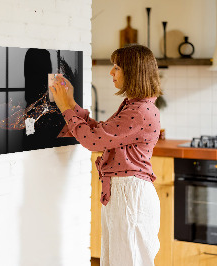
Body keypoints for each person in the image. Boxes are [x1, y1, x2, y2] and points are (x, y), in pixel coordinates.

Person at [50, 44, 162, 266]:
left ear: (133, 72)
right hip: (125, 193)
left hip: (130, 195)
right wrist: (71, 103)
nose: (111, 72)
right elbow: (101, 133)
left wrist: (65, 108)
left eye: (117, 67)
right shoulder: (135, 106)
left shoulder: (139, 111)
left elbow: (93, 141)